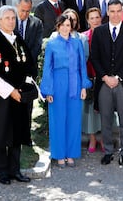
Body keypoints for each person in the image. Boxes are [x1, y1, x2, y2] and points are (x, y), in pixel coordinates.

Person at [0, 5, 35, 184]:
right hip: (1, 97)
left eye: (13, 18)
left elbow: (29, 66)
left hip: (19, 97)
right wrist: (10, 91)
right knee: (1, 133)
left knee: (17, 133)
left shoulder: (18, 39)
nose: (11, 21)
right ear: (0, 20)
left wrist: (24, 88)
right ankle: (2, 171)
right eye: (7, 18)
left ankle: (15, 170)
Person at [91, 0, 123, 166]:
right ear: (108, 12)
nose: (116, 14)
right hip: (104, 83)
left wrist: (117, 77)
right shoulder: (99, 32)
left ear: (122, 12)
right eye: (112, 11)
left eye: (119, 11)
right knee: (105, 119)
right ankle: (108, 151)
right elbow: (94, 57)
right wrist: (105, 77)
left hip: (122, 83)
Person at [40, 15, 91, 168]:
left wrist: (83, 87)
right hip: (58, 83)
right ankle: (59, 154)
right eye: (62, 25)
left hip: (75, 84)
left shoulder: (77, 43)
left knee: (73, 120)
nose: (65, 28)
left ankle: (70, 154)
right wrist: (48, 90)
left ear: (71, 27)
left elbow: (82, 66)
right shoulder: (52, 44)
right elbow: (47, 68)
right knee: (58, 119)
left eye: (68, 25)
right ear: (58, 26)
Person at [82, 8, 103, 153]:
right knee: (89, 111)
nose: (95, 20)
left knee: (103, 109)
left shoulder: (106, 33)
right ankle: (92, 139)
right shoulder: (83, 37)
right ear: (88, 21)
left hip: (103, 77)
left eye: (97, 17)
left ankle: (103, 139)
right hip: (88, 77)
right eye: (92, 18)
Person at [15, 0, 44, 76]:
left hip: (30, 67)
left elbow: (37, 45)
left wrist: (26, 61)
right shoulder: (10, 21)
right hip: (12, 65)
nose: (25, 14)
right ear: (17, 7)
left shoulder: (37, 23)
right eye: (22, 10)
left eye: (28, 11)